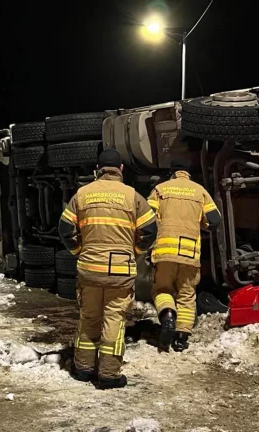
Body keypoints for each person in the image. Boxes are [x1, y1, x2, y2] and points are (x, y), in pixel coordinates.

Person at [58, 148, 157, 389]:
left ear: (98, 169)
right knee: (113, 319)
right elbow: (150, 231)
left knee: (89, 317)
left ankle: (83, 369)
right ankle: (109, 375)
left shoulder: (82, 194)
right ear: (120, 169)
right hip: (119, 271)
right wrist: (134, 252)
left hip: (89, 268)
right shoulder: (132, 196)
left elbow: (64, 229)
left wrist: (78, 251)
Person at [147, 156, 221, 352]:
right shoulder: (200, 191)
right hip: (189, 253)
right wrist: (200, 225)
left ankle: (168, 316)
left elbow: (146, 217)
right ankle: (181, 338)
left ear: (172, 173)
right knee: (187, 295)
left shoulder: (160, 189)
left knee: (162, 290)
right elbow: (214, 220)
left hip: (164, 252)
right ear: (188, 174)